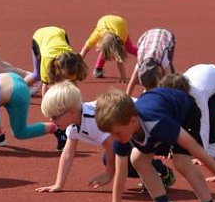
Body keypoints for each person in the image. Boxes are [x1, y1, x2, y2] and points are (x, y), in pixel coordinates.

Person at [94, 87, 215, 202]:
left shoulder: (156, 121)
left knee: (181, 162)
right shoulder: (122, 131)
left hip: (186, 114)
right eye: (111, 133)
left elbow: (193, 147)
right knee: (137, 159)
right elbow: (121, 173)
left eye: (117, 133)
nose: (114, 137)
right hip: (161, 113)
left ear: (132, 121)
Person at [37, 81, 174, 193]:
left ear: (72, 112)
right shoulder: (73, 125)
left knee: (116, 158)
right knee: (119, 157)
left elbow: (111, 144)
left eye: (55, 117)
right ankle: (151, 174)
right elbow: (67, 154)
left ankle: (163, 172)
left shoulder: (92, 120)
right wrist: (58, 184)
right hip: (129, 131)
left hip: (146, 125)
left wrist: (108, 175)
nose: (51, 120)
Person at [159, 65, 215, 159]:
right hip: (201, 73)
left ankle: (211, 149)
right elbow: (169, 120)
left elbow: (204, 122)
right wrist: (167, 147)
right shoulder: (168, 93)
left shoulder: (197, 94)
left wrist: (202, 155)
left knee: (209, 114)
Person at [24, 26, 89, 96]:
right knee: (37, 75)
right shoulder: (48, 60)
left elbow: (75, 82)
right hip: (39, 37)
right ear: (59, 68)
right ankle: (18, 88)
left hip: (59, 33)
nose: (67, 80)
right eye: (65, 76)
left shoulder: (73, 60)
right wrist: (44, 106)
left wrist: (78, 102)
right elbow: (45, 86)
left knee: (62, 79)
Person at [79, 14, 138, 80]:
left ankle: (145, 54)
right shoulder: (97, 34)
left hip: (121, 25)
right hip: (104, 21)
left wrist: (123, 77)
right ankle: (98, 68)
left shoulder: (121, 37)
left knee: (129, 48)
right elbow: (84, 50)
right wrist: (77, 65)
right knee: (105, 49)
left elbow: (118, 58)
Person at [125, 28, 176, 96]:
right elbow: (132, 81)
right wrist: (127, 96)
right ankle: (150, 88)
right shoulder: (140, 62)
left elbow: (170, 78)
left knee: (170, 75)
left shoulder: (163, 59)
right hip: (146, 38)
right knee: (150, 81)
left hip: (166, 36)